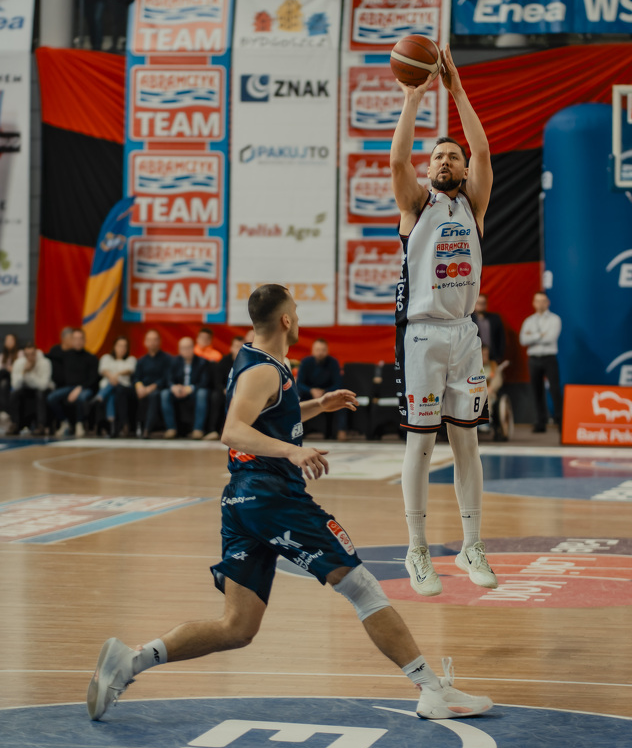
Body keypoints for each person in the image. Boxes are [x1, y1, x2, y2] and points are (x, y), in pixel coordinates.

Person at [87, 284, 493, 723]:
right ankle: (431, 689)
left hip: (244, 501)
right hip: (272, 496)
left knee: (237, 627)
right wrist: (293, 452)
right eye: (295, 312)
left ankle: (130, 661)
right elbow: (233, 430)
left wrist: (317, 405)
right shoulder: (262, 370)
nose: (298, 318)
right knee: (361, 587)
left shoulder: (264, 362)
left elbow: (268, 416)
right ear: (285, 320)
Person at [390, 44, 496, 599]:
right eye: (438, 158)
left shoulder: (473, 205)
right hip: (422, 335)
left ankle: (472, 545)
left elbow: (482, 149)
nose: (446, 162)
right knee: (421, 447)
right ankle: (417, 549)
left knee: (467, 444)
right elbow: (397, 162)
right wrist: (413, 99)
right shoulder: (416, 205)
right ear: (428, 169)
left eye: (452, 157)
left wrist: (456, 90)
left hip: (464, 335)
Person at [519, 291, 562, 434]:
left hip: (549, 358)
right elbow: (523, 340)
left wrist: (532, 336)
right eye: (537, 301)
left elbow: (550, 338)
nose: (540, 304)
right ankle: (540, 422)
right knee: (536, 390)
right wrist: (540, 335)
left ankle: (560, 421)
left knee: (554, 389)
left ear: (548, 303)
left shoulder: (554, 319)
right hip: (533, 359)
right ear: (533, 303)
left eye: (543, 301)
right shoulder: (529, 321)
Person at [47, 327, 99, 438]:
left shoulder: (91, 357)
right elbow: (50, 355)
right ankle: (64, 422)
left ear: (84, 340)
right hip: (69, 387)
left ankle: (79, 424)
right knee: (51, 398)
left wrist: (80, 388)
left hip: (85, 387)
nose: (78, 341)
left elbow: (93, 379)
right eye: (75, 339)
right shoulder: (66, 355)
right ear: (72, 340)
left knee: (81, 397)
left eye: (80, 339)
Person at [161, 337, 211, 440]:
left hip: (194, 391)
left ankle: (198, 429)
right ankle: (171, 429)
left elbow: (204, 382)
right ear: (179, 349)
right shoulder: (174, 362)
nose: (186, 350)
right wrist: (173, 387)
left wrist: (189, 389)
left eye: (188, 347)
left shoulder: (202, 362)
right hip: (178, 391)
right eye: (183, 348)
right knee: (165, 394)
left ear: (193, 348)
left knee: (202, 393)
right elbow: (168, 379)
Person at [297, 339, 346, 441]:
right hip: (308, 394)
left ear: (327, 351)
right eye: (317, 350)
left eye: (323, 350)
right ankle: (296, 431)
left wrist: (324, 392)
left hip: (328, 393)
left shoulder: (333, 362)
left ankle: (341, 431)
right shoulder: (305, 362)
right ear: (312, 350)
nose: (320, 353)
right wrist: (311, 391)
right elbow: (299, 383)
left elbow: (338, 383)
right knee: (297, 398)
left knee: (341, 400)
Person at [204, 335, 245, 440]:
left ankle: (241, 431)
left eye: (241, 347)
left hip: (243, 392)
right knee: (216, 397)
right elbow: (217, 381)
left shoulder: (248, 362)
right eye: (236, 346)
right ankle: (213, 430)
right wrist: (224, 390)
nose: (238, 350)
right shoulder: (224, 362)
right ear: (231, 348)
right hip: (225, 391)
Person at [132, 329, 171, 437]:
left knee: (154, 395)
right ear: (145, 342)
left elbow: (166, 378)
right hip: (143, 389)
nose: (152, 343)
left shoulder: (167, 359)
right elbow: (136, 377)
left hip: (158, 388)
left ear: (159, 341)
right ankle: (127, 427)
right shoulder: (141, 361)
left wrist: (151, 388)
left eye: (155, 340)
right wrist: (139, 387)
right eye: (149, 340)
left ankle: (147, 429)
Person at [8, 343, 52, 436]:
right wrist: (24, 372)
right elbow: (15, 385)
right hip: (26, 389)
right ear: (24, 354)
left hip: (42, 390)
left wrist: (29, 375)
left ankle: (41, 425)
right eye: (27, 355)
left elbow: (43, 385)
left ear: (36, 353)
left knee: (40, 393)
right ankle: (15, 424)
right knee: (14, 394)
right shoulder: (19, 363)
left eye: (32, 354)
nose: (30, 357)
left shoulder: (45, 362)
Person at [97, 337, 137, 438]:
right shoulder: (107, 358)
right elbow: (103, 369)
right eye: (119, 346)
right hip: (110, 387)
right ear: (114, 347)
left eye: (124, 346)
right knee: (113, 392)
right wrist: (112, 377)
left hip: (124, 388)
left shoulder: (131, 359)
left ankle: (100, 396)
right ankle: (118, 425)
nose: (122, 348)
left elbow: (130, 370)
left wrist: (116, 375)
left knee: (117, 389)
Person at [471, 293, 505, 364]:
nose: (481, 305)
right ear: (474, 304)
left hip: (493, 356)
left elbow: (501, 338)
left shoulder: (495, 318)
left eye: (483, 303)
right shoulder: (468, 320)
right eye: (479, 303)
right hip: (474, 358)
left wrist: (499, 355)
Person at [0, 333, 22, 418]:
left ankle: (5, 411)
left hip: (16, 379)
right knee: (3, 380)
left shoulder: (20, 354)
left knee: (4, 382)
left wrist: (13, 369)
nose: (8, 342)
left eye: (10, 340)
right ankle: (3, 411)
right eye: (7, 340)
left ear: (15, 341)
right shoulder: (2, 356)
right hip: (4, 379)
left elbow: (21, 368)